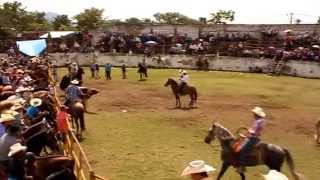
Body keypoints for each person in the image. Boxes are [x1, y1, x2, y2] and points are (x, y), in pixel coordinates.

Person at [236, 106, 266, 173]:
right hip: (254, 138)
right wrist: (246, 135)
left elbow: (254, 131)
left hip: (253, 139)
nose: (253, 115)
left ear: (256, 114)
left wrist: (249, 131)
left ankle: (242, 167)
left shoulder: (258, 121)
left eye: (254, 113)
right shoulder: (261, 121)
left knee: (242, 150)